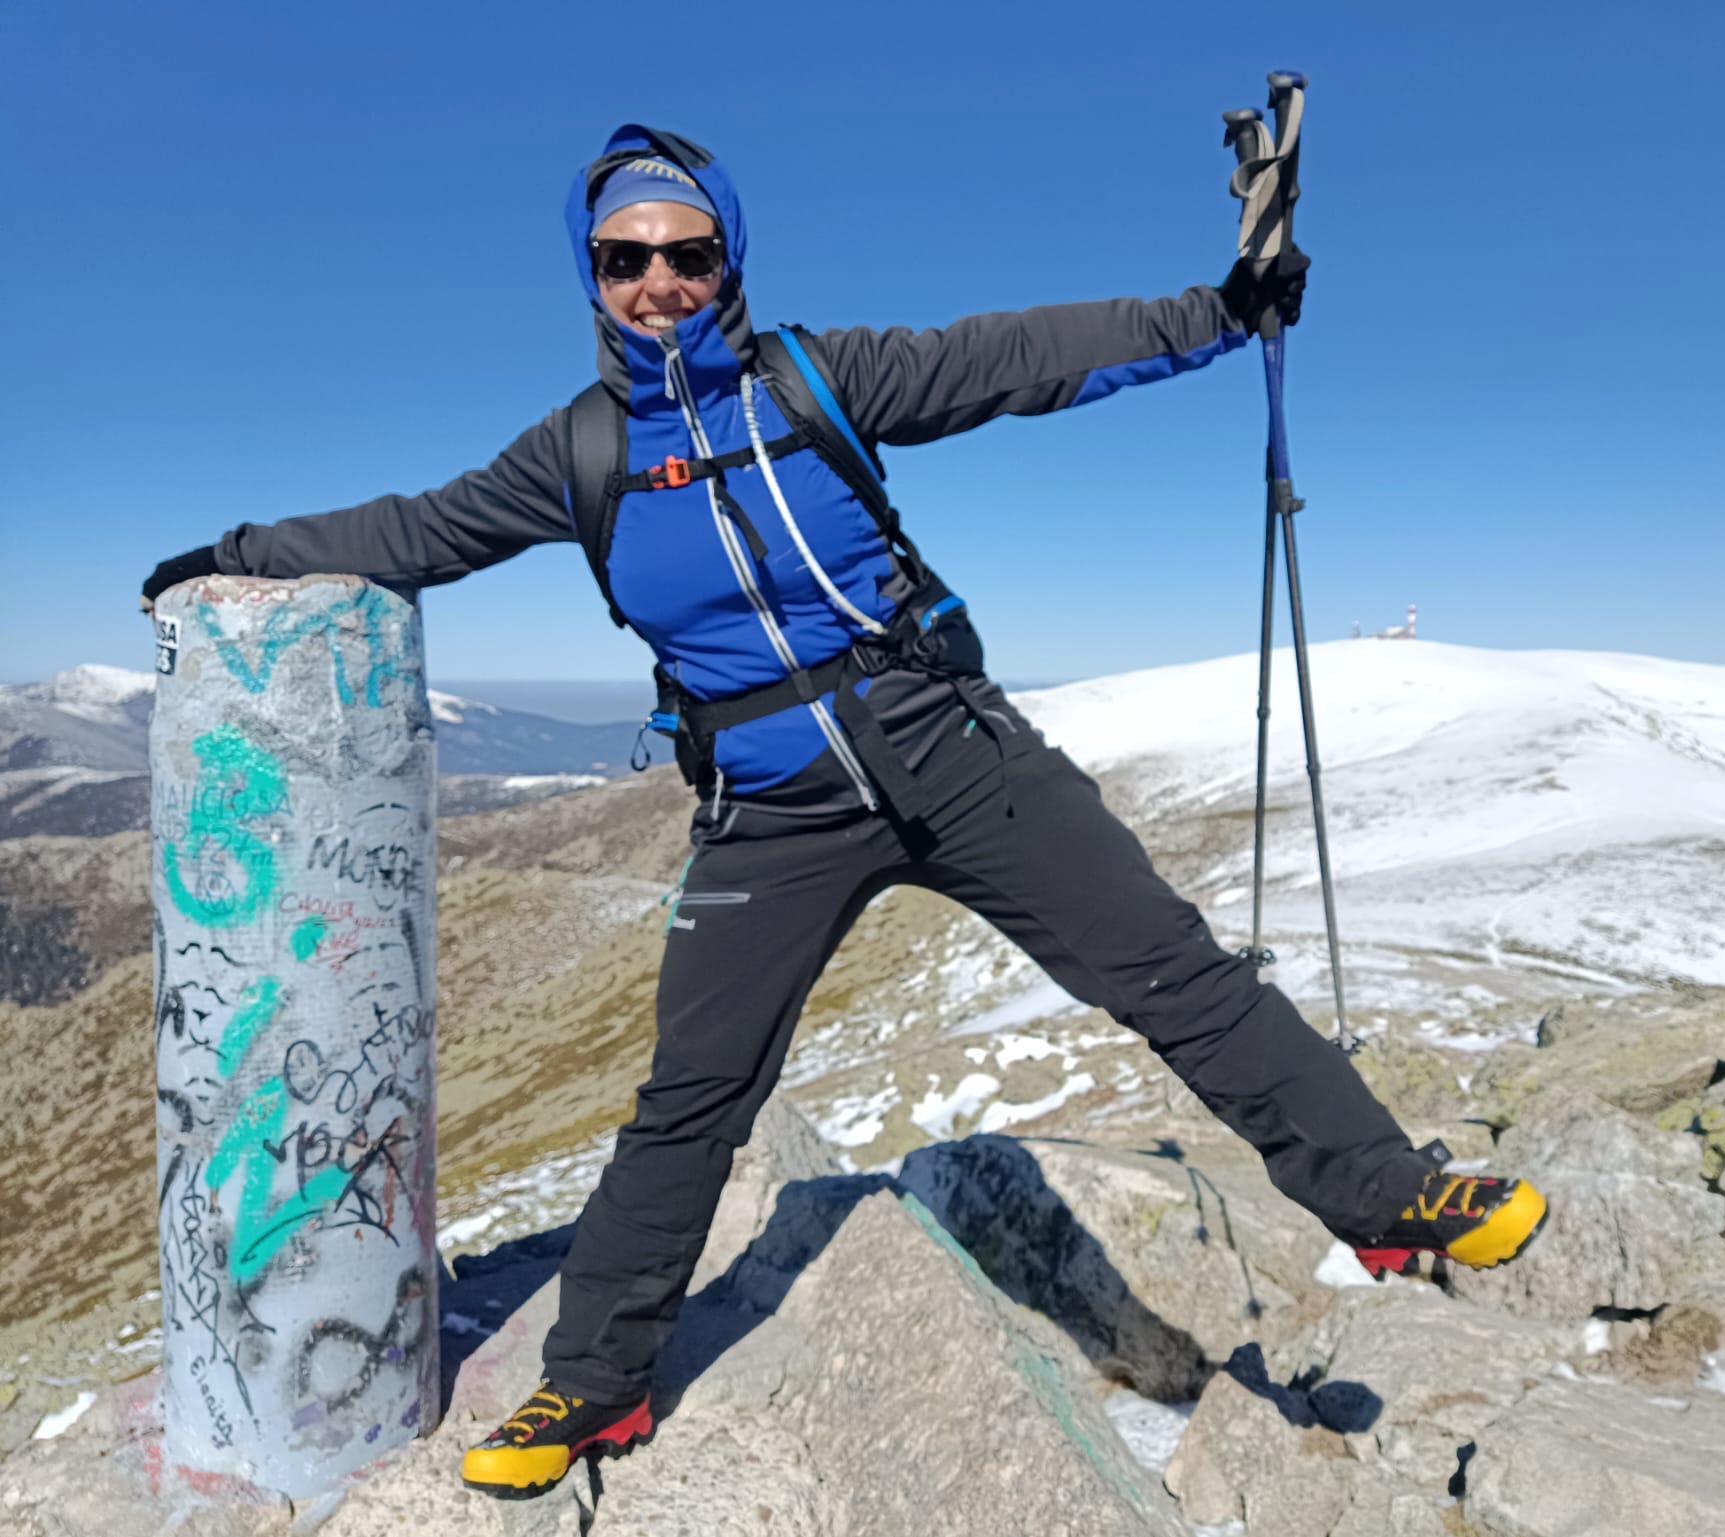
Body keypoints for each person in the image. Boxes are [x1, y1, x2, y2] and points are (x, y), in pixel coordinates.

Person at [143, 125, 1547, 1498]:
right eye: (624, 259)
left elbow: (1019, 357)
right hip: (770, 807)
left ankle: (1387, 1193)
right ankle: (595, 1377)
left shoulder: (816, 377)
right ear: (591, 276)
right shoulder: (578, 454)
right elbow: (414, 531)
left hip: (947, 738)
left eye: (687, 251)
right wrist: (240, 559)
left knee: (1173, 973)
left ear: (728, 256)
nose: (658, 283)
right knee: (691, 1098)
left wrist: (1221, 313)